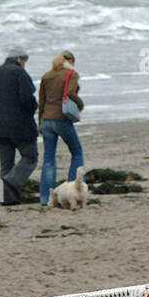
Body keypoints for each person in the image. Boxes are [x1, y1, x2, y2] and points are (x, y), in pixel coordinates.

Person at [0, 48, 38, 205]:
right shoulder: (20, 73)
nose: (25, 64)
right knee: (30, 156)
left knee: (6, 164)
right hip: (21, 126)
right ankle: (10, 182)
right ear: (20, 59)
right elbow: (28, 98)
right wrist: (33, 108)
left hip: (0, 125)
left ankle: (6, 199)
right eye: (25, 60)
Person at [37, 51, 85, 205]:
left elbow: (41, 101)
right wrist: (80, 104)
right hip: (62, 119)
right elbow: (71, 93)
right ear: (70, 60)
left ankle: (46, 198)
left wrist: (40, 123)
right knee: (77, 152)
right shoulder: (71, 74)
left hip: (46, 120)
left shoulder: (47, 75)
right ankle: (73, 191)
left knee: (49, 159)